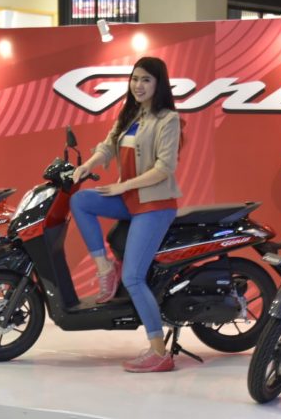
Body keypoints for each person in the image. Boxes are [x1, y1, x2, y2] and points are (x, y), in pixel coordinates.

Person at [70, 57, 182, 373]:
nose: (138, 85)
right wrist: (88, 165)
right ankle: (105, 268)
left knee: (133, 277)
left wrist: (123, 186)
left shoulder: (168, 119)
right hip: (129, 198)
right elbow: (107, 146)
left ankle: (159, 352)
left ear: (158, 83)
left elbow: (165, 168)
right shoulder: (130, 113)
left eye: (146, 80)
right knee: (81, 201)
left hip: (154, 203)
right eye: (135, 79)